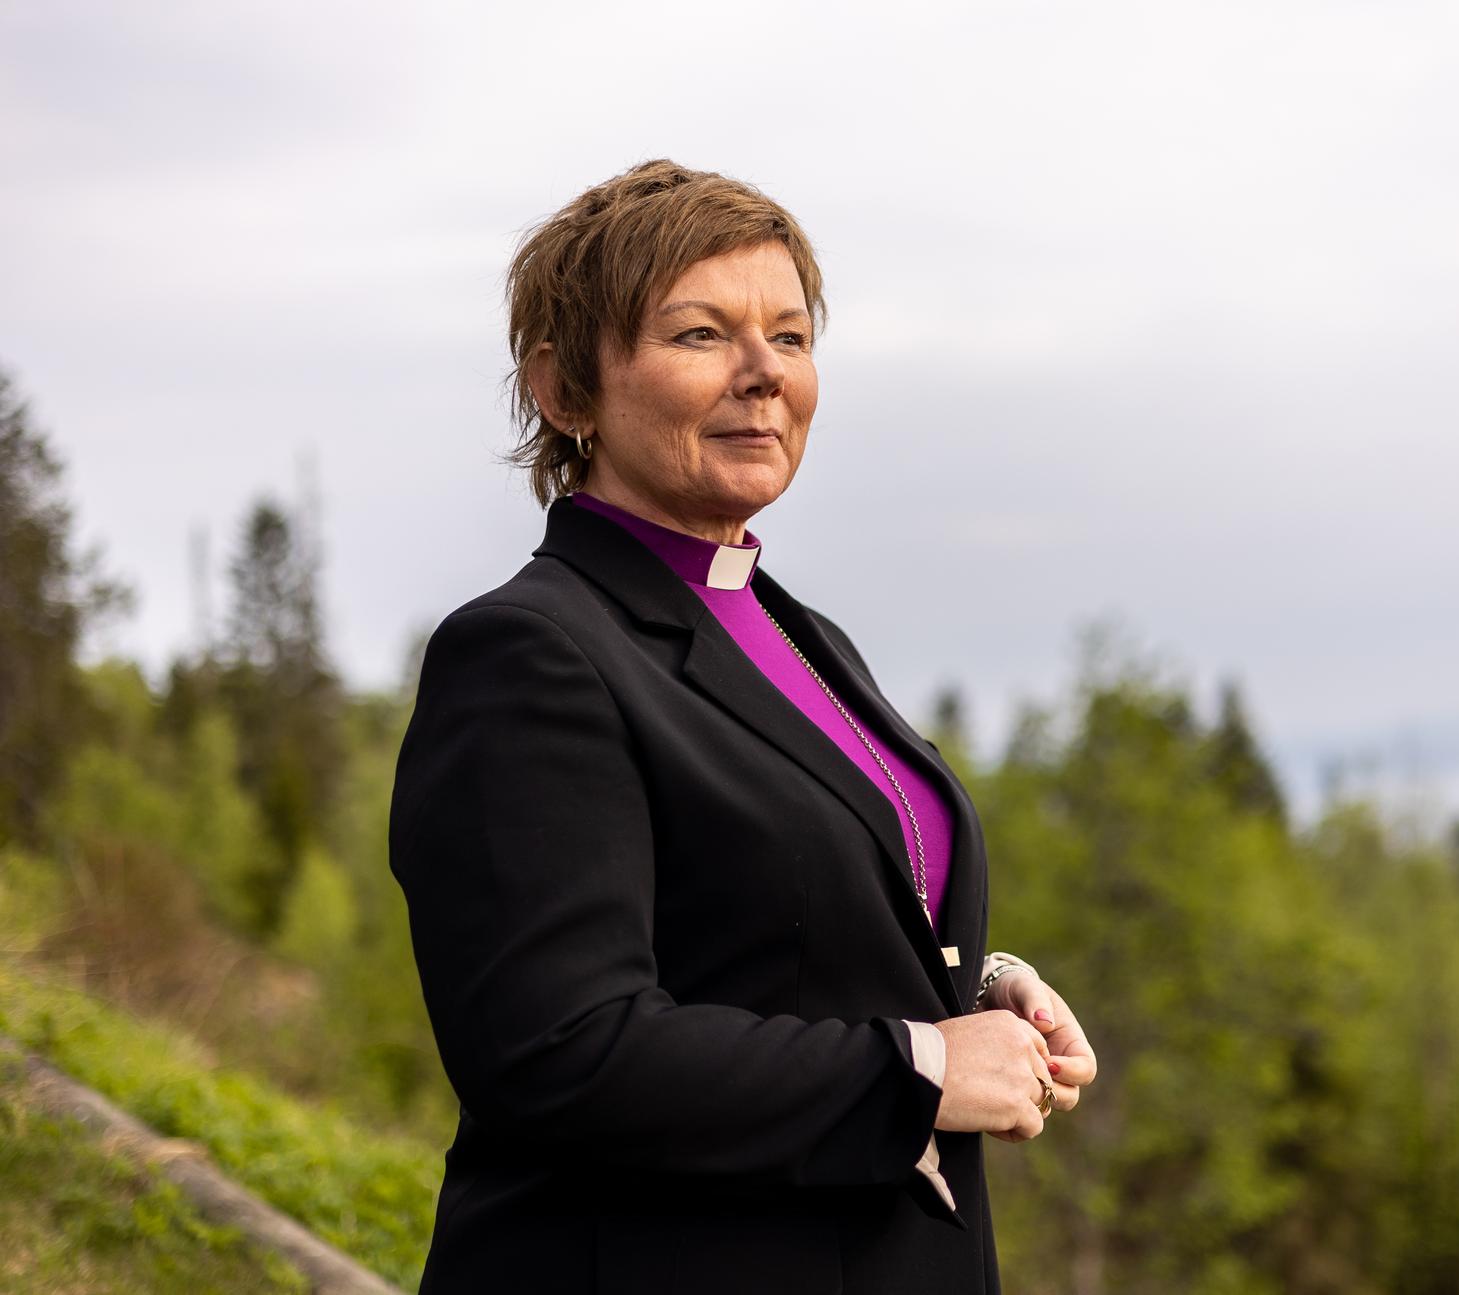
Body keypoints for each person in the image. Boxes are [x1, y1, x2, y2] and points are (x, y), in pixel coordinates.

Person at [387, 159, 1098, 1295]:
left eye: (791, 336)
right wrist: (920, 1066)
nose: (764, 373)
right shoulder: (529, 652)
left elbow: (766, 932)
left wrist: (974, 990)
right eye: (701, 334)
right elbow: (557, 1048)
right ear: (565, 388)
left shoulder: (799, 632)